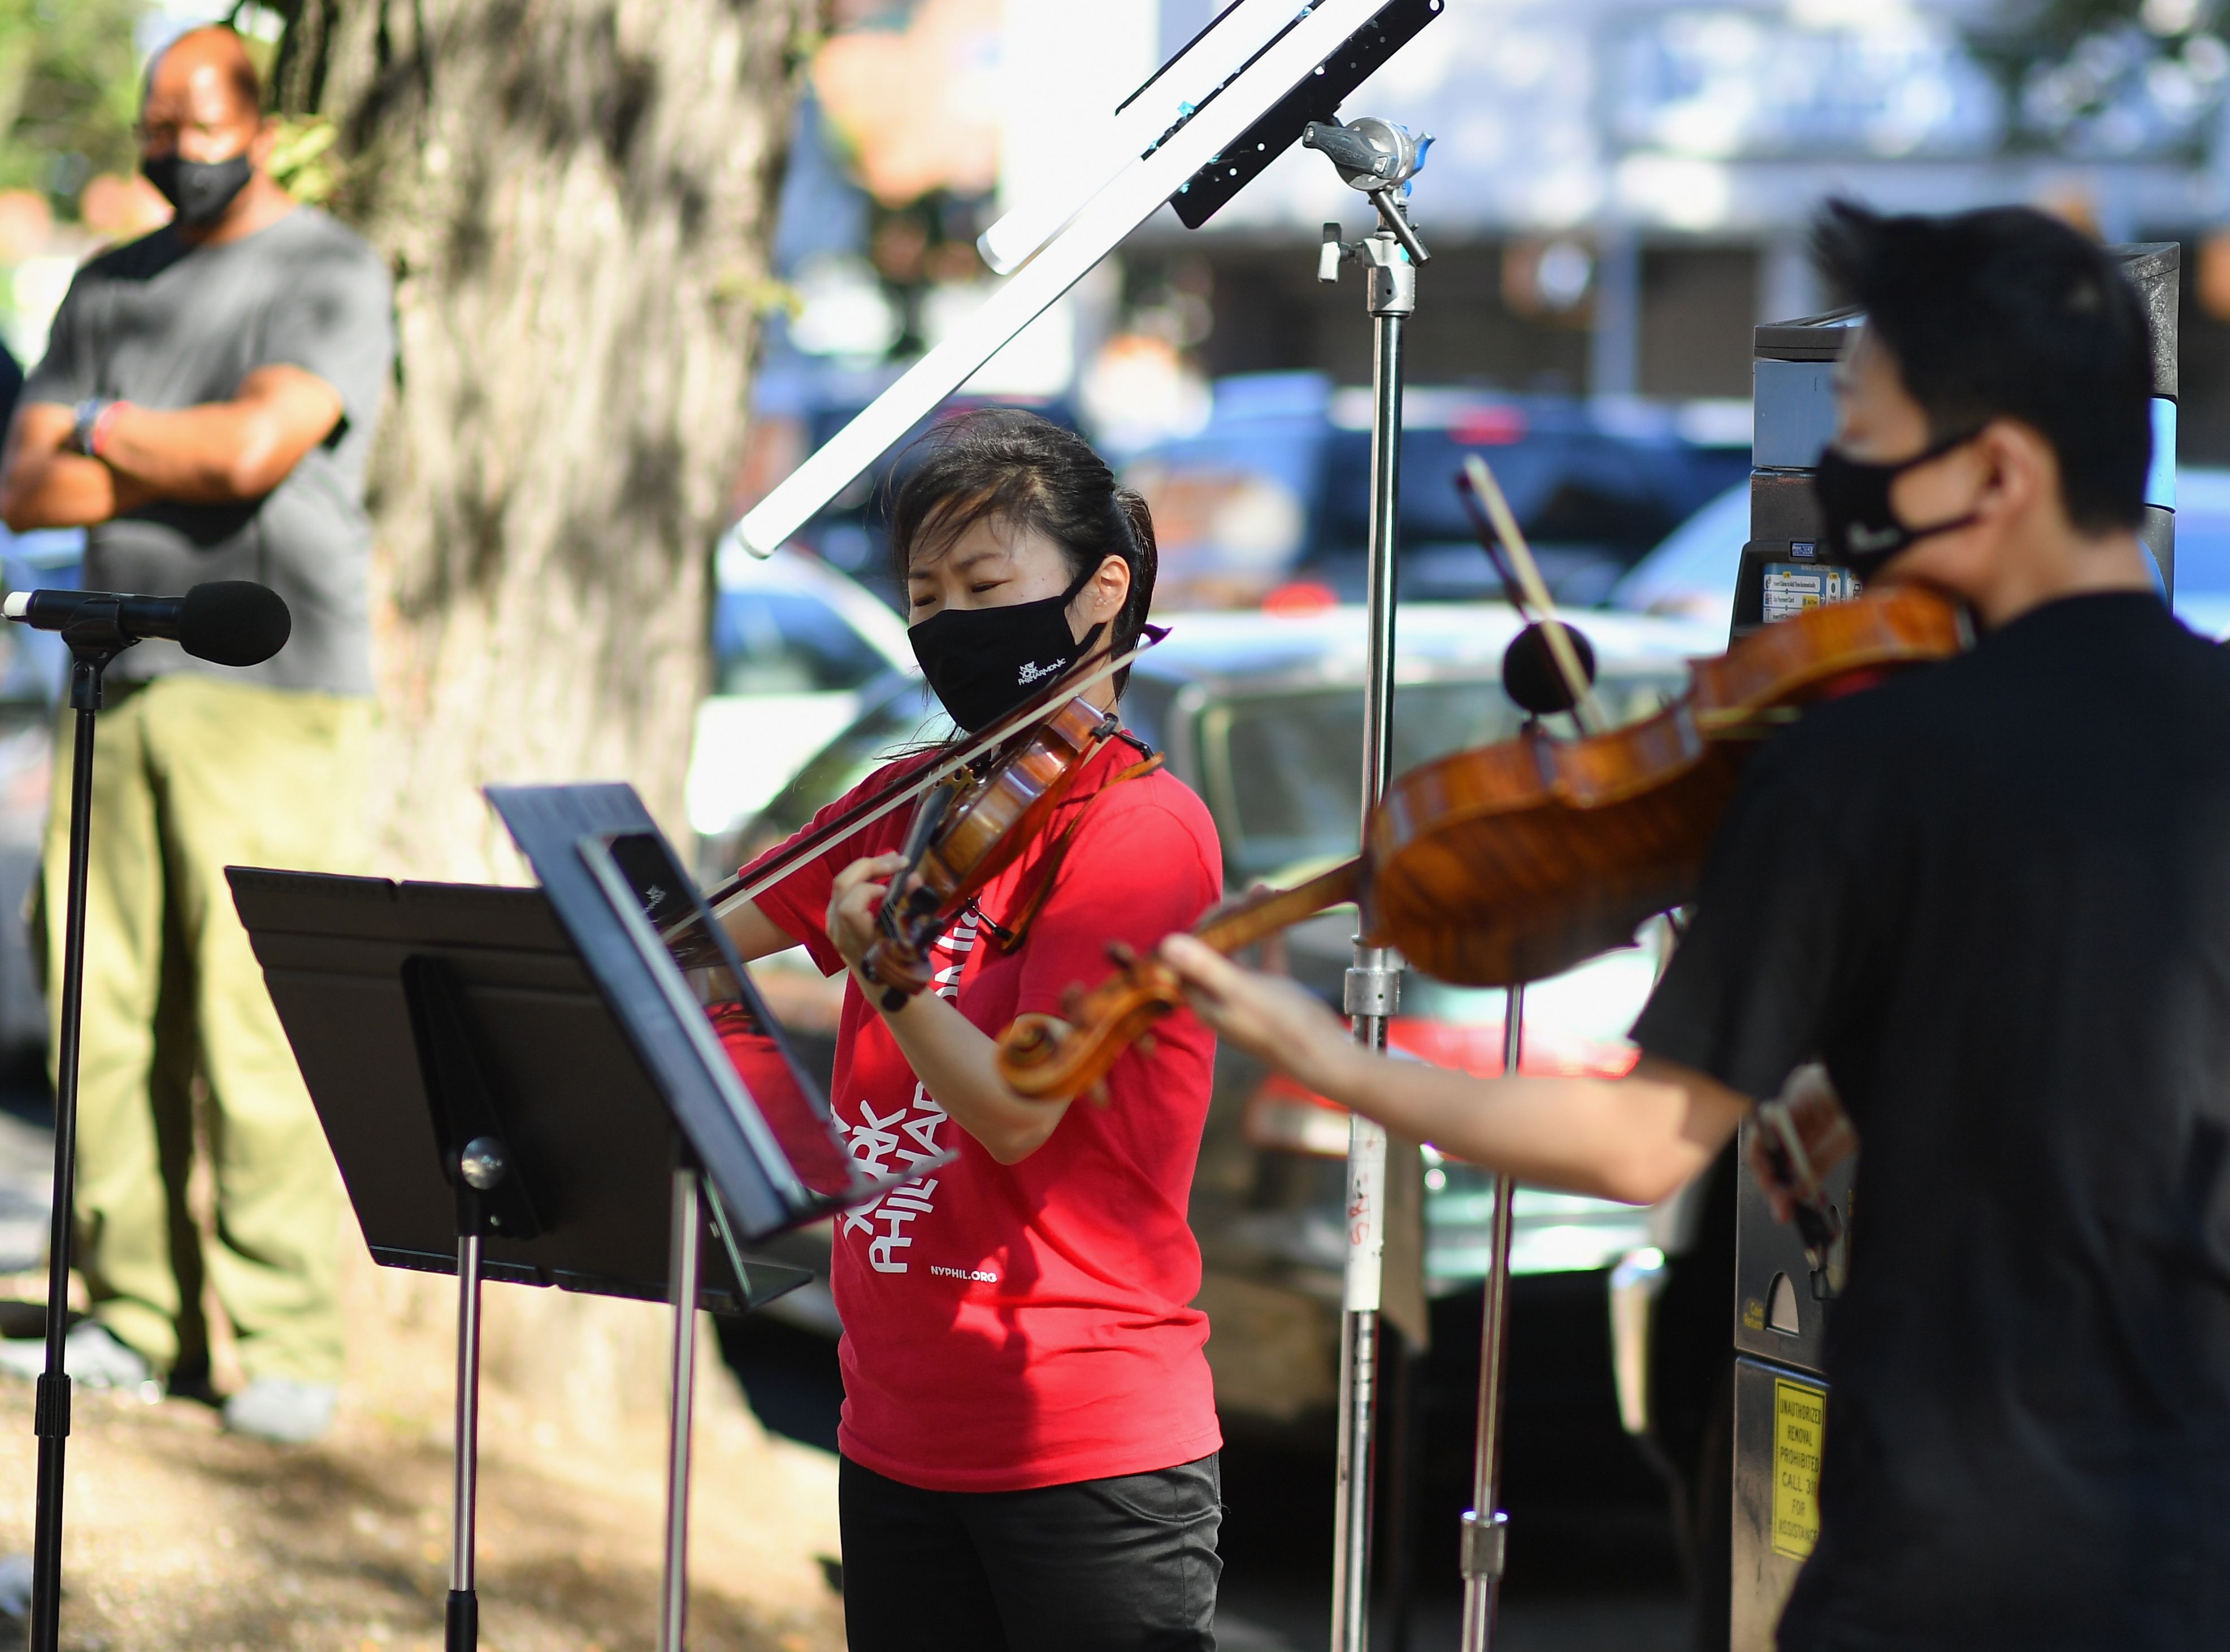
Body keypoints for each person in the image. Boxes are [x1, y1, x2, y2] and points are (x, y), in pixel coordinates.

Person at [1160, 202, 2230, 1651]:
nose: (1832, 474)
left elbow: (1637, 1143)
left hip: (1953, 1553)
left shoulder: (1858, 759)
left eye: (1860, 427)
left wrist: (1327, 1055)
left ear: (1994, 470)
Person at [721, 410, 1225, 1651]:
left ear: (1102, 592)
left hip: (1082, 1444)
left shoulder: (1137, 832)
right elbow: (694, 933)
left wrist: (890, 981)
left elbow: (1014, 1108)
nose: (949, 624)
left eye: (986, 586)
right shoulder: (910, 798)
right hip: (893, 1425)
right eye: (925, 596)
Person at [0, 26, 394, 1445]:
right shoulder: (110, 279)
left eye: (204, 118)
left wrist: (103, 423)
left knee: (255, 1019)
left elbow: (252, 454)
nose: (178, 145)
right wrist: (152, 439)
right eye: (157, 122)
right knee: (95, 1000)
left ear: (262, 119)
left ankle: (284, 1335)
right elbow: (25, 483)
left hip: (274, 680)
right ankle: (135, 1312)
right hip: (114, 670)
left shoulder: (328, 272)